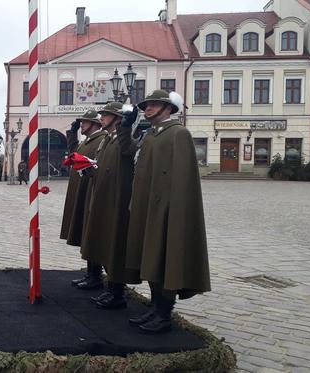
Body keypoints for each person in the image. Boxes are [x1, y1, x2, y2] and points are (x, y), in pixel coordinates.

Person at [120, 90, 211, 333]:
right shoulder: (152, 134)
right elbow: (131, 155)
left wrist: (173, 210)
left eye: (154, 105)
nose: (148, 109)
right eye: (147, 105)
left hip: (166, 209)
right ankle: (155, 307)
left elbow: (182, 178)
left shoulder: (178, 134)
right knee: (149, 258)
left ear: (168, 108)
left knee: (164, 259)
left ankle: (164, 313)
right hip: (146, 207)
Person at [79, 102, 141, 309]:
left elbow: (128, 149)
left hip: (118, 201)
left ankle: (117, 293)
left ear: (116, 118)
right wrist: (88, 169)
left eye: (106, 115)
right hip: (104, 198)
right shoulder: (107, 140)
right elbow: (102, 167)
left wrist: (125, 126)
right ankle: (109, 288)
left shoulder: (122, 138)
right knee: (106, 243)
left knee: (115, 246)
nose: (101, 118)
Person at [60, 110, 108, 290]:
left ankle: (96, 275)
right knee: (85, 232)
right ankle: (91, 273)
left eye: (85, 122)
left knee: (91, 232)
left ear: (95, 124)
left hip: (89, 190)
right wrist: (72, 134)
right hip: (81, 190)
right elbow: (74, 154)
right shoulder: (88, 140)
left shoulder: (101, 140)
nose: (82, 125)